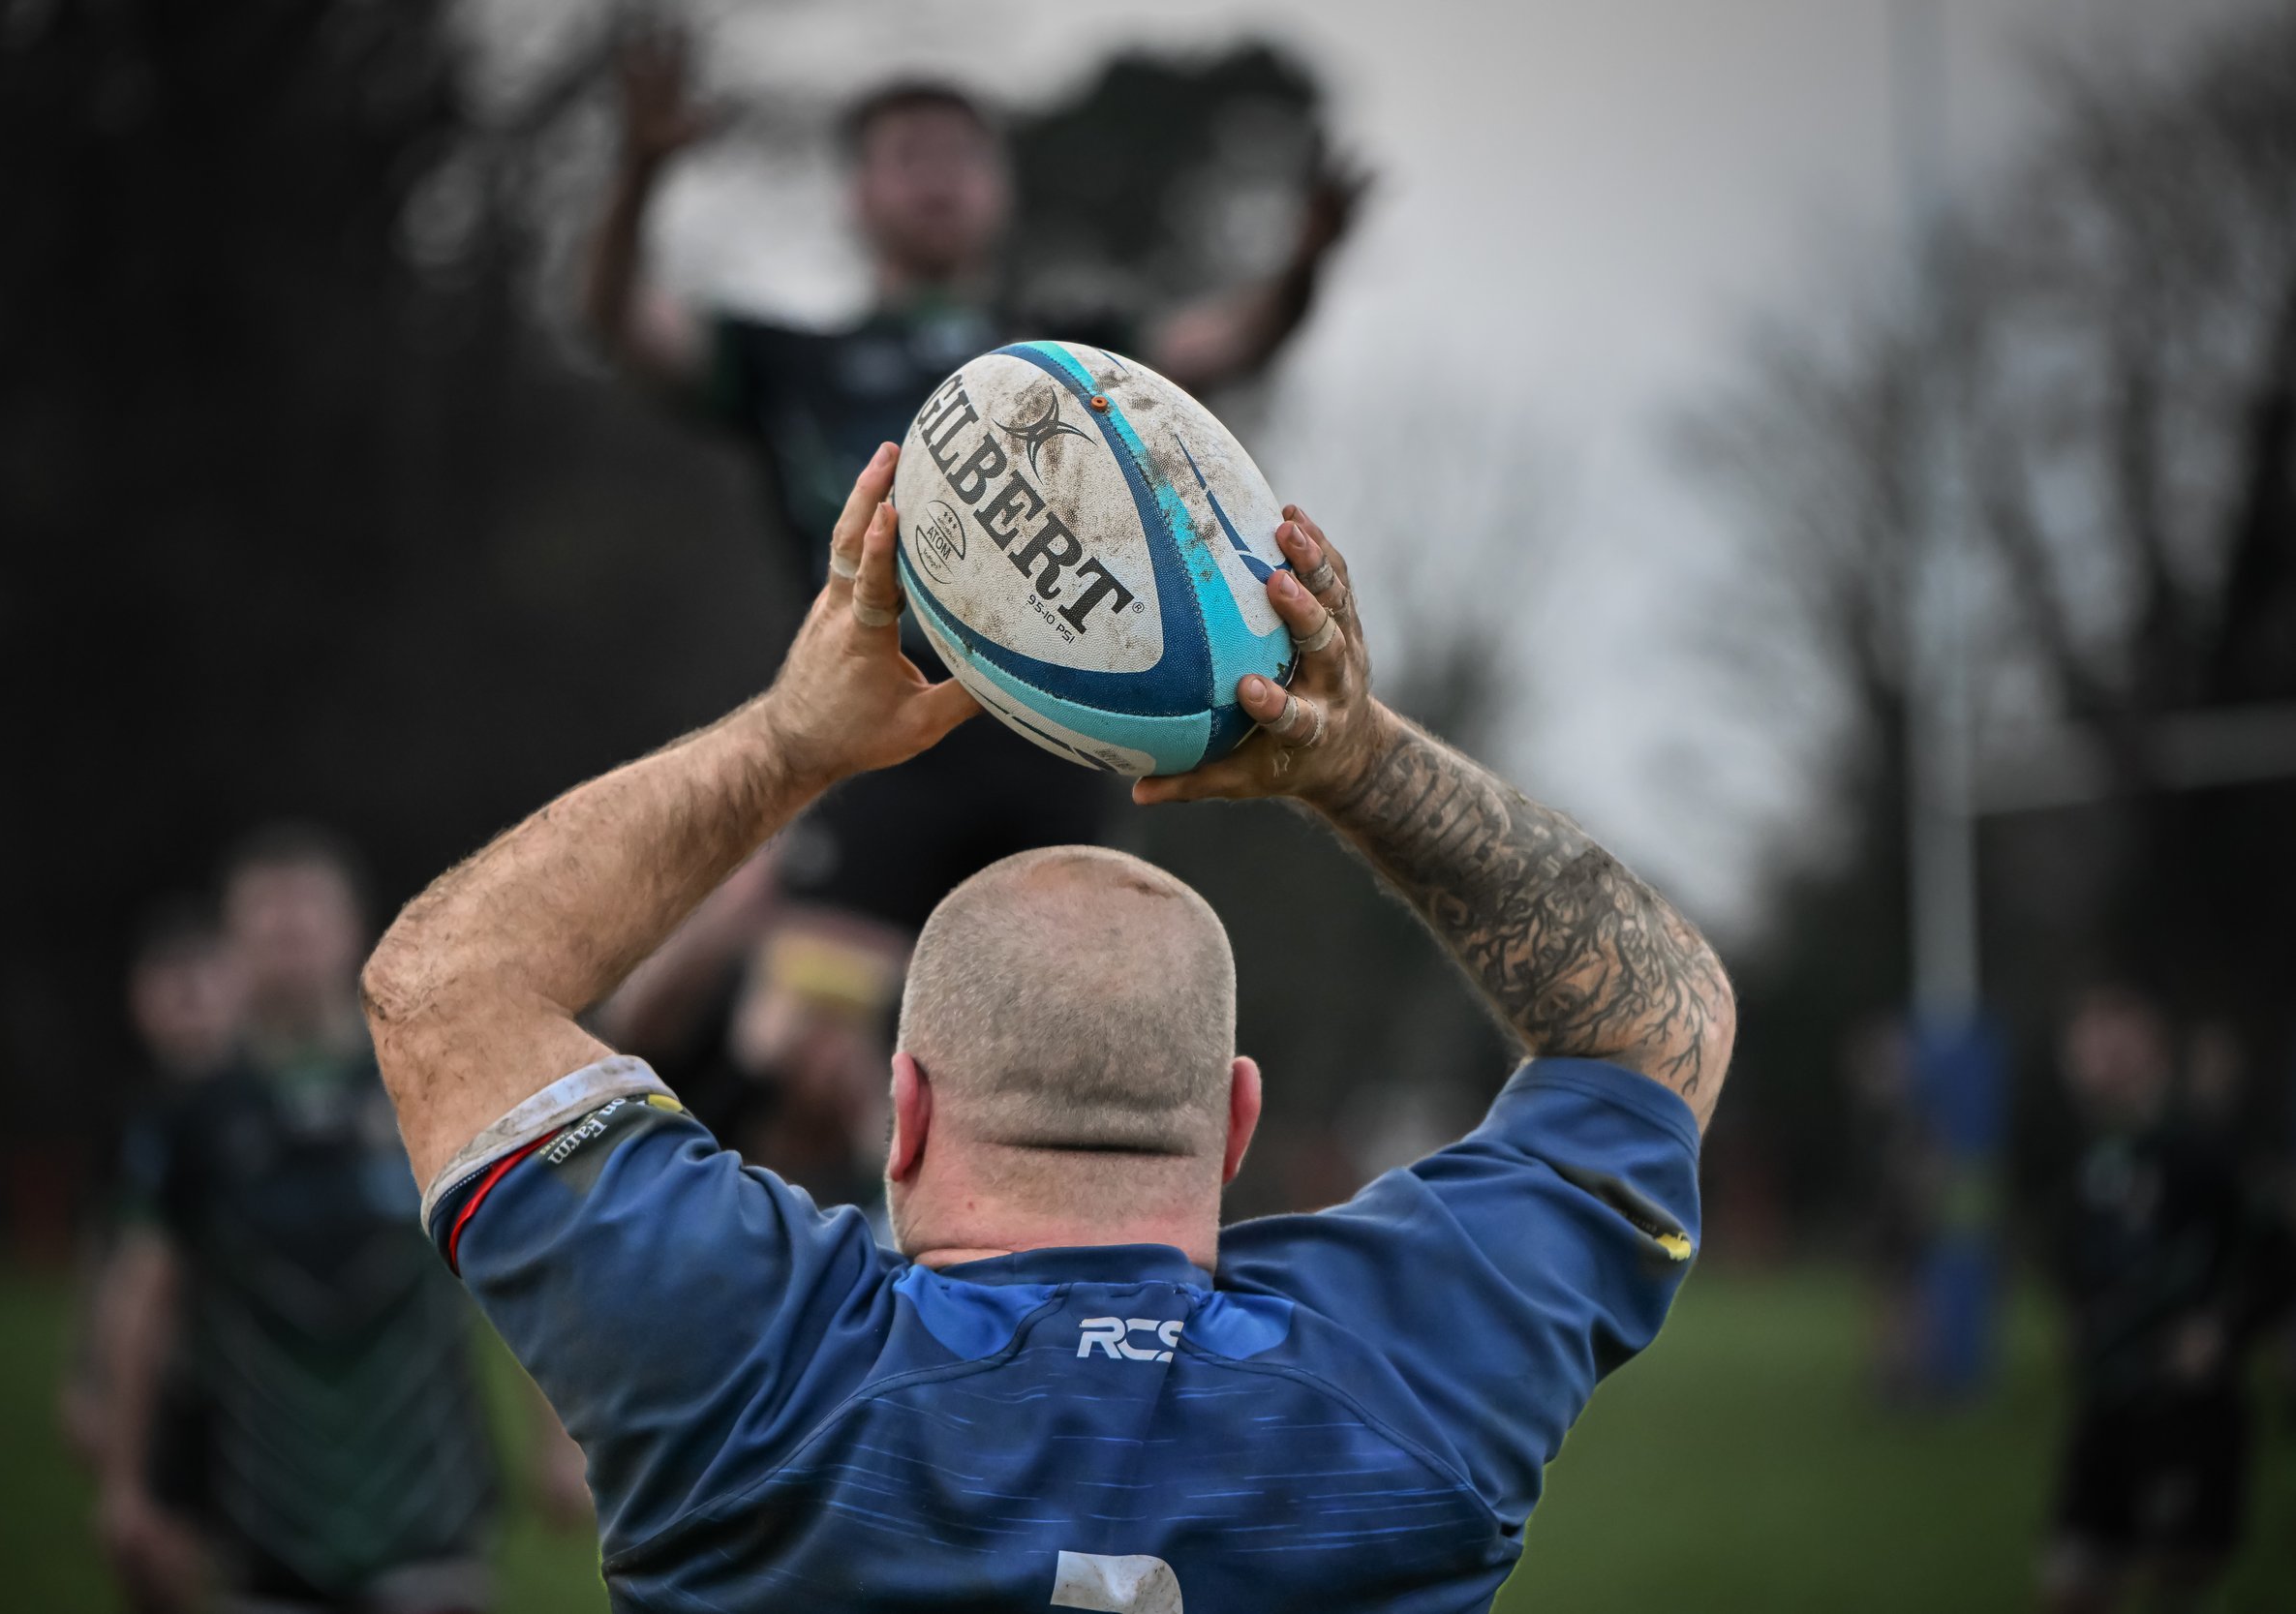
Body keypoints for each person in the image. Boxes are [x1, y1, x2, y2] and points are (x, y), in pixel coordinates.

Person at [362, 445, 1736, 1611]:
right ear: (1236, 1120)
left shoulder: (749, 1367)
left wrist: (792, 740)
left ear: (904, 1110)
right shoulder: (1416, 1374)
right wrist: (1358, 757)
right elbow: (1657, 1026)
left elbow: (443, 984)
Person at [581, 32, 1366, 1198]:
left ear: (998, 189)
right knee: (804, 1072)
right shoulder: (796, 362)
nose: (936, 172)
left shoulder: (1076, 370)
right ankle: (720, 1303)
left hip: (1061, 762)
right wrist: (639, 176)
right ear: (859, 194)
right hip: (877, 756)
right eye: (906, 152)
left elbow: (1232, 340)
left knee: (1058, 1088)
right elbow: (622, 327)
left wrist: (1302, 265)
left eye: (960, 150)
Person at [95, 827, 568, 1614]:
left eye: (305, 910)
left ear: (354, 927)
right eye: (265, 915)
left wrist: (561, 1441)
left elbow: (513, 1265)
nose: (287, 932)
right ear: (234, 941)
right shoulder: (192, 1117)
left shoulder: (431, 1086)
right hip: (259, 1522)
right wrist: (125, 1486)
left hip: (433, 1514)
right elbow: (143, 1299)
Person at [2039, 986, 2295, 1614]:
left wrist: (2222, 1332)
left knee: (2176, 1581)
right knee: (2073, 1577)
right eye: (2083, 1042)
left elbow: (2277, 1255)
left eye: (2109, 1040)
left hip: (2188, 1414)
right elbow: (2074, 1256)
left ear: (2148, 1046)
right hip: (2106, 1405)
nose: (2091, 1057)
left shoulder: (2201, 1149)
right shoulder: (2093, 1156)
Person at [63, 902, 242, 1507]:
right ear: (139, 1000)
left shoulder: (265, 1102)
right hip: (162, 1370)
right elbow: (106, 1250)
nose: (189, 995)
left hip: (256, 1373)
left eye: (204, 976)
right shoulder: (132, 1120)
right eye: (170, 981)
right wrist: (89, 1376)